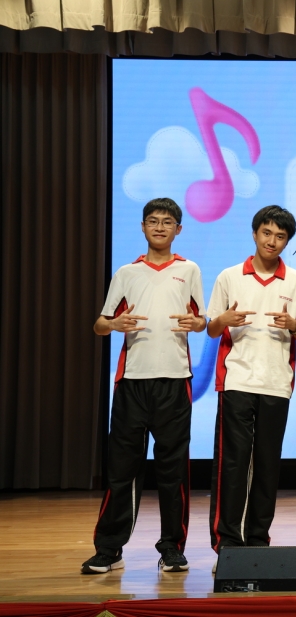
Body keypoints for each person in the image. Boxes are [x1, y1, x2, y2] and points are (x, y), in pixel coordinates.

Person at [82, 197, 206, 574]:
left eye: (167, 222)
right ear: (142, 227)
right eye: (152, 221)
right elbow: (99, 324)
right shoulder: (127, 272)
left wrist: (197, 324)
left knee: (173, 471)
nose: (159, 227)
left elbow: (201, 319)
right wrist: (112, 325)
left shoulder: (189, 269)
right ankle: (109, 548)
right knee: (122, 469)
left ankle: (172, 548)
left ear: (178, 229)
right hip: (132, 383)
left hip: (175, 381)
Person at [205, 205, 296, 562]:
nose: (272, 241)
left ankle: (258, 541)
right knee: (232, 464)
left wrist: (294, 326)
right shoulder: (229, 276)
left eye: (280, 236)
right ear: (254, 234)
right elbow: (211, 329)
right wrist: (224, 319)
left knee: (267, 466)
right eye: (267, 233)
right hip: (236, 380)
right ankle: (227, 544)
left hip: (277, 383)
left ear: (287, 241)